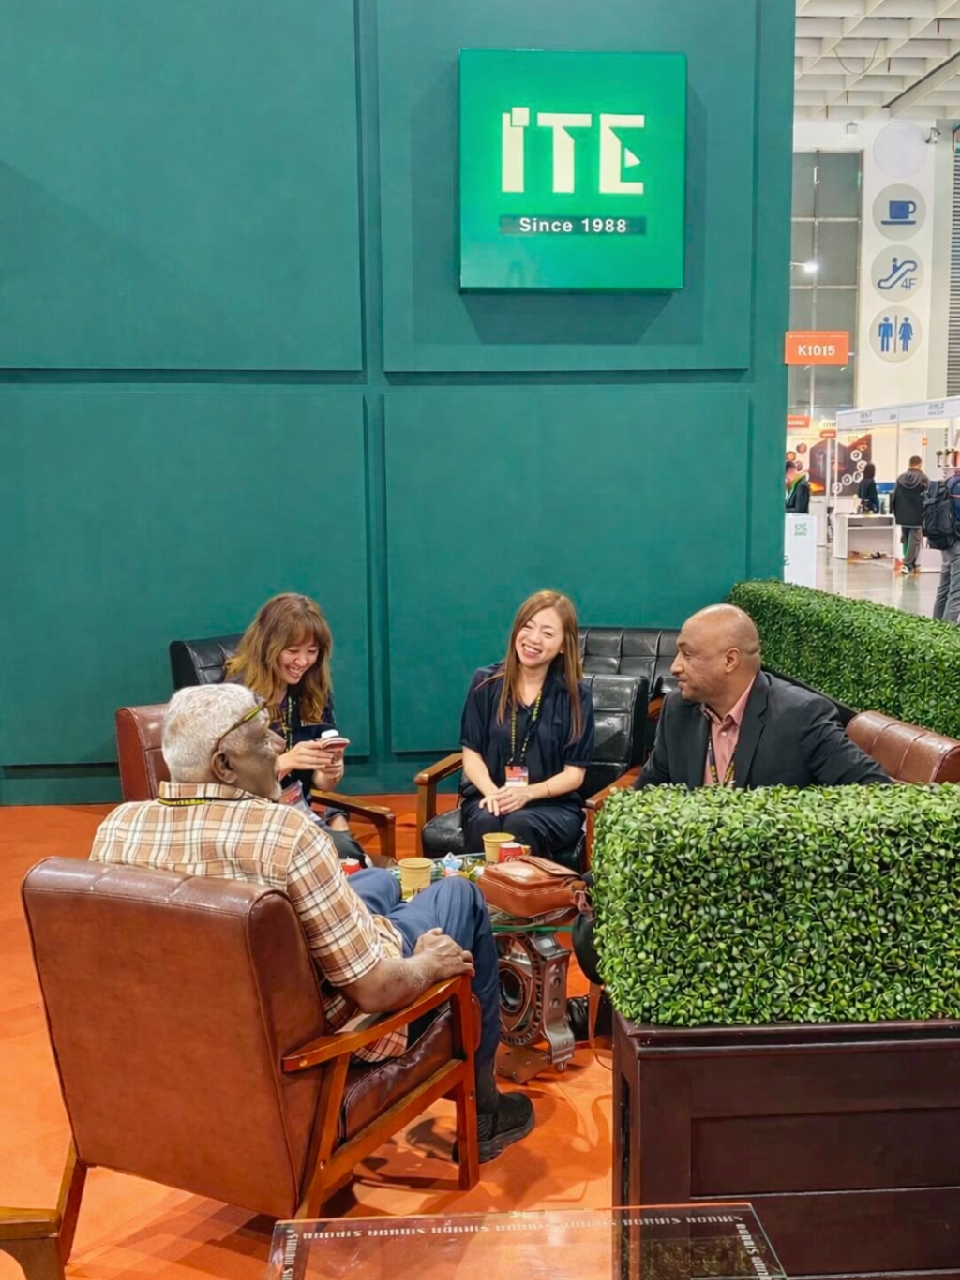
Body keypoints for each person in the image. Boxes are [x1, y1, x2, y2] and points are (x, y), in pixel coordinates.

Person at [90, 684, 534, 1163]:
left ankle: (376, 912)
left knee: (377, 882)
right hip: (330, 1024)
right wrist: (427, 963)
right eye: (263, 737)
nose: (278, 746)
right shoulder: (288, 835)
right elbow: (375, 990)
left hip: (198, 1035)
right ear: (224, 765)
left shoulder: (118, 828)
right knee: (459, 894)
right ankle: (485, 1108)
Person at [567, 604, 890, 1040]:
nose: (674, 667)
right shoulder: (678, 713)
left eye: (687, 654)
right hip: (688, 884)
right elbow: (644, 798)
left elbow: (876, 793)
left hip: (771, 893)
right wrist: (596, 875)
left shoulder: (800, 715)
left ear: (730, 660)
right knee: (595, 921)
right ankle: (632, 1018)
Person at [226, 593, 370, 866]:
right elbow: (227, 785)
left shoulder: (313, 691)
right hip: (249, 822)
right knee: (331, 861)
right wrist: (285, 762)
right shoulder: (235, 698)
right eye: (292, 651)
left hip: (297, 812)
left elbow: (321, 784)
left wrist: (331, 769)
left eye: (311, 651)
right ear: (267, 646)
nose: (302, 661)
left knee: (352, 859)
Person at [458, 590, 595, 861]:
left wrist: (528, 793)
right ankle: (480, 889)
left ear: (564, 645)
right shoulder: (485, 683)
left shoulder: (576, 696)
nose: (533, 639)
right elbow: (471, 755)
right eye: (528, 627)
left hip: (551, 803)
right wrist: (494, 793)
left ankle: (529, 889)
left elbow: (574, 774)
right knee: (487, 820)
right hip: (490, 793)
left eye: (547, 633)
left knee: (520, 823)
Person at [891, 455, 927, 574]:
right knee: (915, 540)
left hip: (902, 515)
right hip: (918, 515)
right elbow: (928, 498)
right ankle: (908, 564)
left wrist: (895, 513)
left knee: (906, 538)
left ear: (909, 464)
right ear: (920, 464)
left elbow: (894, 497)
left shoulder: (900, 478)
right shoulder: (924, 479)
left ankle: (908, 561)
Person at [933, 473, 960, 625]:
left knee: (943, 589)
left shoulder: (949, 481)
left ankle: (935, 626)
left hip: (945, 540)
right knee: (957, 592)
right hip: (957, 542)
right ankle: (947, 630)